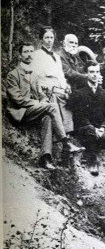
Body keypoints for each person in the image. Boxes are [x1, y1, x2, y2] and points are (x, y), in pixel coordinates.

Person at [6, 42, 84, 170]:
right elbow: (18, 100)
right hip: (19, 112)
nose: (29, 55)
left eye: (31, 52)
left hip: (34, 110)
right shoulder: (12, 75)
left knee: (48, 117)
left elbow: (41, 95)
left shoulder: (35, 76)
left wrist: (43, 100)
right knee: (51, 107)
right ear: (20, 55)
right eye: (25, 52)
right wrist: (40, 103)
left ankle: (45, 158)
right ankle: (66, 142)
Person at [69, 61, 105, 176]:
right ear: (87, 74)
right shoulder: (79, 93)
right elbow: (79, 115)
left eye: (97, 72)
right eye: (92, 72)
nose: (95, 74)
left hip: (100, 130)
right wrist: (93, 128)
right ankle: (92, 162)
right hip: (84, 129)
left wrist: (102, 128)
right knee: (90, 131)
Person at [31, 26, 74, 134]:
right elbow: (36, 75)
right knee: (57, 97)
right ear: (41, 39)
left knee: (68, 96)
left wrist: (65, 87)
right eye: (46, 37)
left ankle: (68, 131)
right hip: (45, 85)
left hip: (57, 85)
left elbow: (60, 75)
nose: (49, 40)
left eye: (51, 37)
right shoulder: (36, 55)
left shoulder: (56, 56)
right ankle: (64, 136)